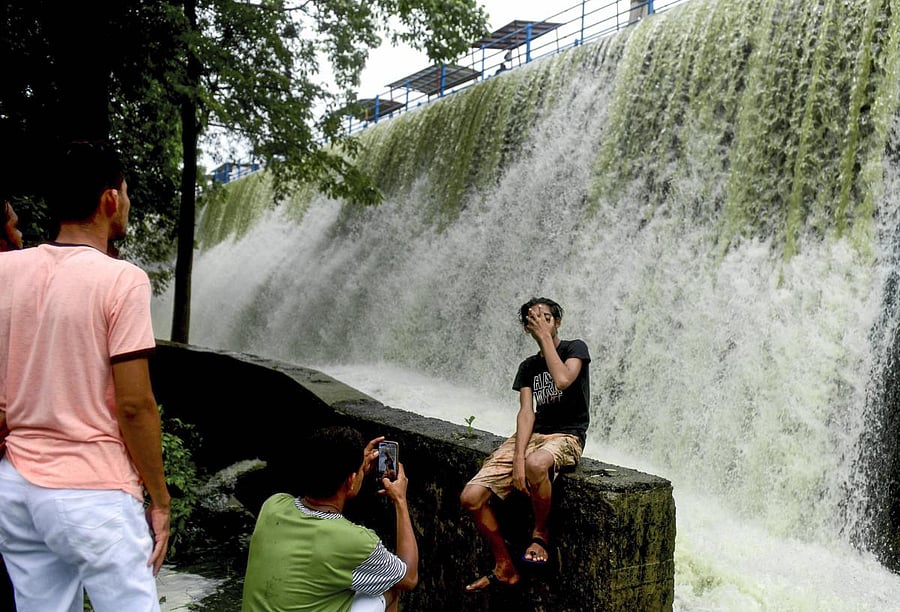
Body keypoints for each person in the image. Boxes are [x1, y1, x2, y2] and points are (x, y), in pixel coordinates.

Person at [0, 141, 171, 610]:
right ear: (109, 200)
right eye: (126, 192)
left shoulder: (5, 270)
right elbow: (135, 405)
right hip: (91, 492)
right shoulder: (121, 279)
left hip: (14, 488)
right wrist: (159, 499)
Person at [460, 297, 590, 591]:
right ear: (526, 329)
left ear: (557, 322)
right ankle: (504, 565)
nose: (541, 322)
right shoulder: (528, 366)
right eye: (534, 319)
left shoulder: (575, 349)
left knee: (536, 464)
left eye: (546, 317)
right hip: (530, 438)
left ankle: (540, 533)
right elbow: (526, 412)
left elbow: (563, 380)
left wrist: (545, 339)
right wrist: (517, 457)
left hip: (566, 436)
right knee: (470, 498)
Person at [242, 426, 418, 612]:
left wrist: (353, 473)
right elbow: (409, 578)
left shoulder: (273, 506)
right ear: (350, 480)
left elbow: (323, 504)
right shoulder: (356, 541)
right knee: (389, 583)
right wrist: (400, 500)